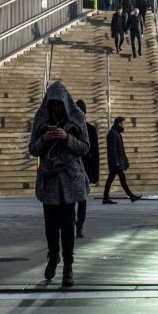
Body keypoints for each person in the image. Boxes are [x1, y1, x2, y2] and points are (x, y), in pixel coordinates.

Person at [28, 80, 90, 287]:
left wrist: (66, 138)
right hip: (50, 181)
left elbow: (85, 148)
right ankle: (53, 257)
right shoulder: (41, 118)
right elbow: (33, 150)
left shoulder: (78, 118)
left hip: (70, 181)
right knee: (51, 226)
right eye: (52, 104)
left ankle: (68, 267)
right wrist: (45, 138)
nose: (55, 108)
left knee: (68, 226)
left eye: (59, 104)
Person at [74, 99, 99, 238]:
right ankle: (72, 220)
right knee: (70, 200)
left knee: (82, 199)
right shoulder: (70, 128)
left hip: (85, 170)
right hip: (71, 169)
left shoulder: (90, 129)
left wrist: (94, 174)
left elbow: (95, 153)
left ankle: (80, 226)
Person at [103, 116, 141, 204]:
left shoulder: (116, 133)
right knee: (121, 178)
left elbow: (121, 150)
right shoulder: (113, 134)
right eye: (123, 123)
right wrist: (116, 162)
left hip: (117, 162)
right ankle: (131, 196)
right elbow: (113, 150)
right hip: (115, 163)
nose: (124, 125)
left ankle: (105, 198)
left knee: (111, 179)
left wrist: (125, 161)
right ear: (119, 124)